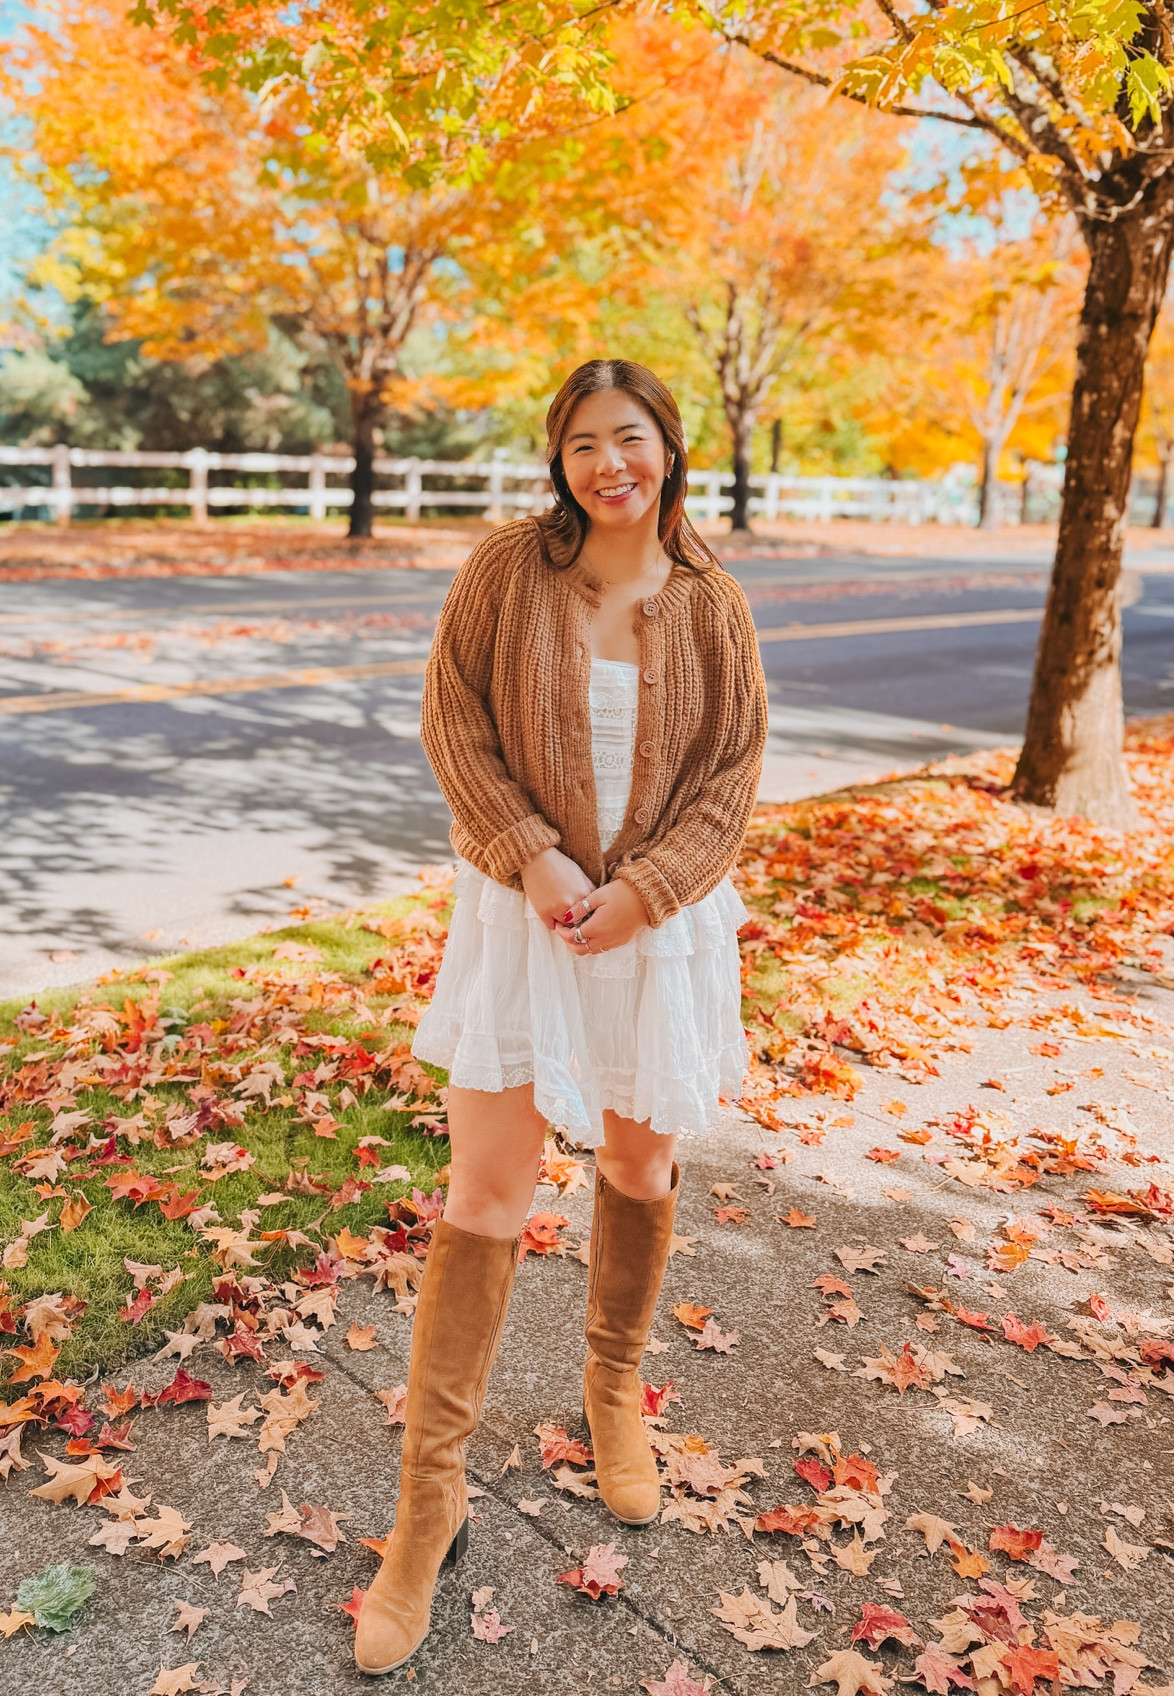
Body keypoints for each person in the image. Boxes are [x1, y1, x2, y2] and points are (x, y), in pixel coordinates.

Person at [353, 358, 768, 1676]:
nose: (608, 464)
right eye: (584, 442)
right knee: (485, 1195)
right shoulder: (503, 575)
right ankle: (428, 1510)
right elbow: (452, 727)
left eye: (629, 438)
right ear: (559, 459)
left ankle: (610, 1400)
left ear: (669, 450)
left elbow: (732, 777)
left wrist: (644, 893)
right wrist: (533, 853)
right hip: (520, 921)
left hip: (659, 929)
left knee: (640, 1163)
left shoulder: (713, 603)